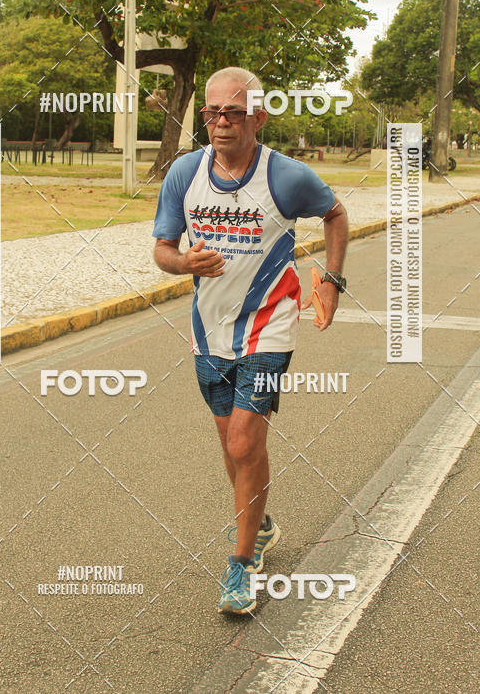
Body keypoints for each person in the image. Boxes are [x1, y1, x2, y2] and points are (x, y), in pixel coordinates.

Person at [152, 67, 349, 614]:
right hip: (208, 329)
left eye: (232, 113)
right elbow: (163, 249)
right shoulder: (185, 174)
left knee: (243, 441)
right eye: (211, 113)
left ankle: (240, 566)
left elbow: (334, 213)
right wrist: (183, 262)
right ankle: (258, 524)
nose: (219, 123)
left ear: (258, 117)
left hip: (270, 324)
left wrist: (331, 282)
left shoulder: (285, 177)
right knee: (233, 446)